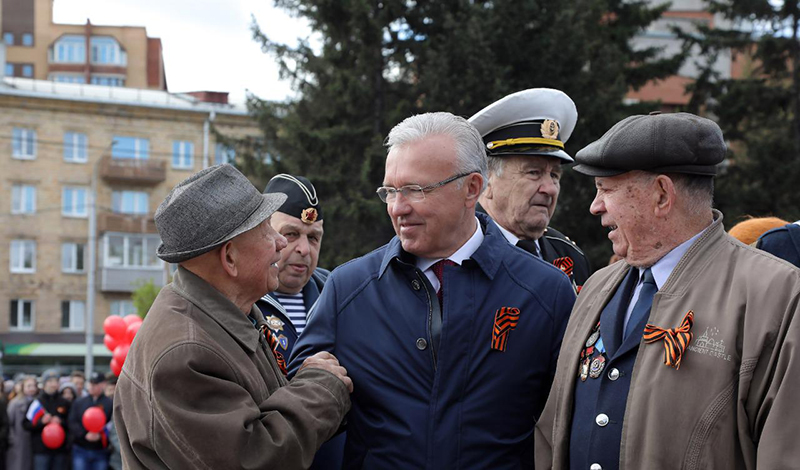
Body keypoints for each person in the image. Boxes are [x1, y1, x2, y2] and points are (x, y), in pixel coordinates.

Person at [289, 112, 576, 468]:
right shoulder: (349, 288)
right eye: (390, 191)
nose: (398, 208)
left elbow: (569, 424)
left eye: (415, 190)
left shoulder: (546, 293)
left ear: (472, 188)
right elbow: (302, 407)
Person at [534, 112, 800, 469]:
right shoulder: (598, 286)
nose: (595, 206)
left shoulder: (775, 293)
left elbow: (785, 451)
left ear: (661, 195)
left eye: (606, 190)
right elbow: (550, 433)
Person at [113, 164, 352, 469]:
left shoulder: (227, 316)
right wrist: (322, 385)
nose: (281, 244)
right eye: (267, 232)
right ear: (229, 257)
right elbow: (256, 458)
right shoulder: (185, 352)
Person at [256, 174, 345, 469]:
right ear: (264, 234)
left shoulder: (343, 296)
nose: (304, 250)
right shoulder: (242, 301)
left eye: (314, 237)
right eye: (291, 234)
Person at [470, 88, 591, 292]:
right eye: (534, 172)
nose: (550, 189)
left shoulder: (569, 255)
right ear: (486, 181)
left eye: (554, 175)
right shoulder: (458, 254)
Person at [24, 370, 70, 470]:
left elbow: (71, 423)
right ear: (44, 384)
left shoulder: (64, 402)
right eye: (50, 381)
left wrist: (60, 422)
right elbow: (26, 424)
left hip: (60, 450)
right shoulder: (36, 402)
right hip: (41, 450)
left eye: (56, 381)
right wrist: (41, 422)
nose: (53, 384)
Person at [68, 372, 112, 470]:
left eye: (95, 384)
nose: (92, 386)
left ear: (103, 384)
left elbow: (112, 425)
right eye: (91, 383)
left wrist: (100, 435)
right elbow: (72, 422)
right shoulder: (79, 402)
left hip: (101, 450)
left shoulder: (110, 403)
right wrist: (85, 434)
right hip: (81, 449)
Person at [6, 376, 37, 470]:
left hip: (32, 440)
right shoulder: (15, 403)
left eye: (33, 386)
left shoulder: (37, 402)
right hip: (18, 441)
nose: (31, 388)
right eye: (29, 386)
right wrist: (12, 438)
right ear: (23, 387)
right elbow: (9, 422)